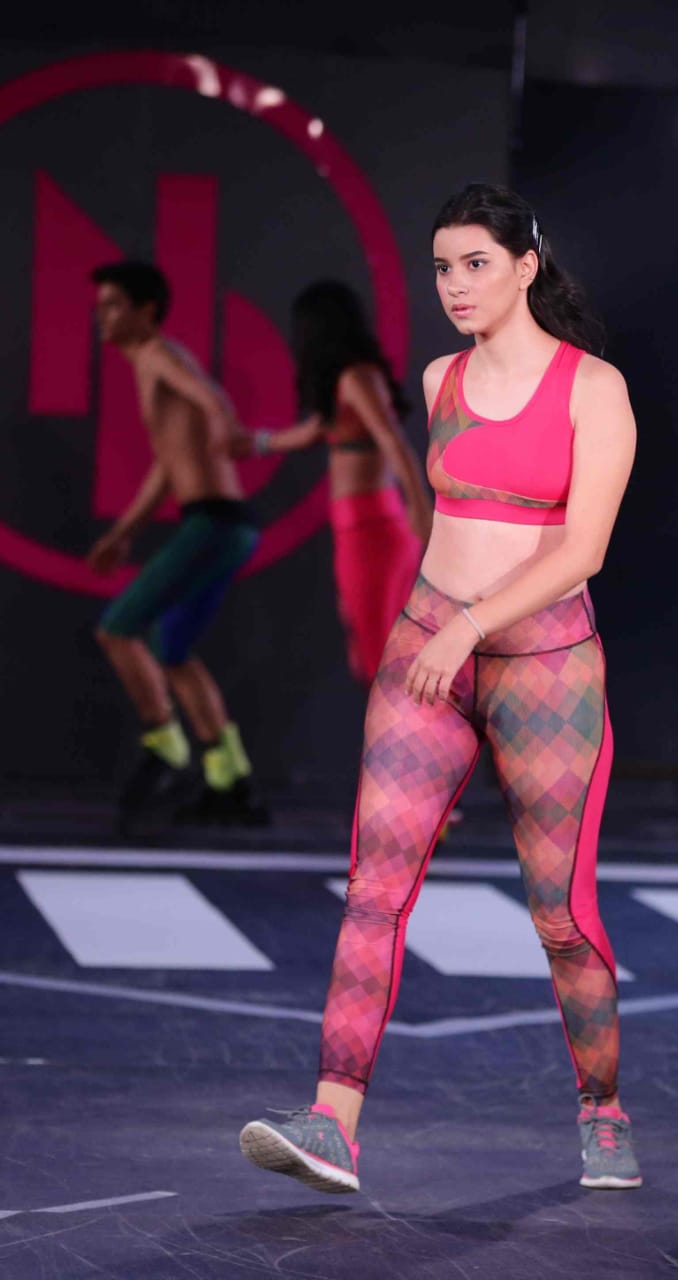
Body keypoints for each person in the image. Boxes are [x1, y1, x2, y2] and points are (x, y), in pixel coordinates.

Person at [240, 184, 641, 1193]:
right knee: (374, 888)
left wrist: (473, 621)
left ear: (524, 267)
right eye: (441, 268)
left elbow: (583, 549)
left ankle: (602, 1108)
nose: (454, 285)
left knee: (559, 915)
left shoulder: (593, 387)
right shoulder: (438, 377)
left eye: (474, 264)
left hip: (543, 667)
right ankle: (332, 1122)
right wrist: (444, 621)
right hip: (428, 650)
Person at [87, 261, 265, 827]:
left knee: (118, 628)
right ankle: (232, 781)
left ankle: (165, 746)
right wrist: (123, 534)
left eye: (113, 304)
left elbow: (210, 396)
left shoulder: (159, 354)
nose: (101, 315)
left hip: (214, 525)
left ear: (146, 311)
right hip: (222, 525)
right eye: (100, 304)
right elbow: (167, 468)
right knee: (172, 652)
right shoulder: (150, 364)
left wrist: (227, 424)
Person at [234, 281, 432, 686]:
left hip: (376, 529)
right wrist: (256, 443)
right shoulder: (344, 382)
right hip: (357, 529)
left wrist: (420, 508)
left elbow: (393, 442)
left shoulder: (358, 378)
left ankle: (413, 728)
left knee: (382, 653)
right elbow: (310, 433)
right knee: (368, 648)